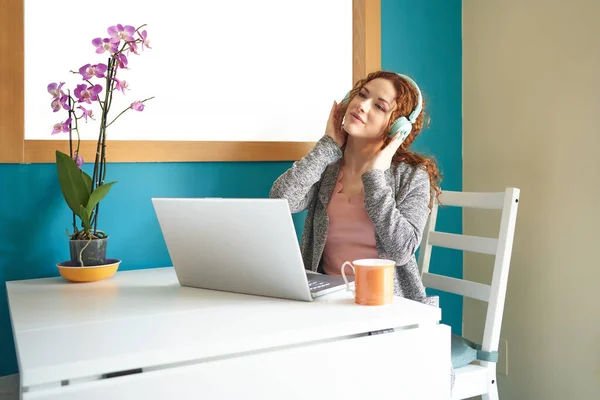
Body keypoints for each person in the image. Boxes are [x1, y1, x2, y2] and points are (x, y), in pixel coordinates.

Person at [269, 70, 441, 307]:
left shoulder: (411, 176)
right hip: (326, 302)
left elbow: (401, 251)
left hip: (386, 306)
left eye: (379, 106)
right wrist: (327, 146)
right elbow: (281, 199)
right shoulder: (329, 165)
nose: (362, 105)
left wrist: (375, 176)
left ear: (397, 127)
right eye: (362, 95)